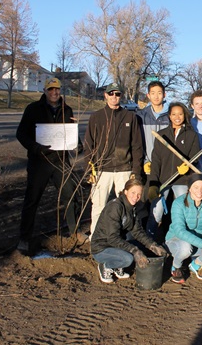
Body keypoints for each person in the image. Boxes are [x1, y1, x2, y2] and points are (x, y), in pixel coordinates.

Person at [16, 77, 86, 255]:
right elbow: (21, 133)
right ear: (45, 91)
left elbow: (70, 133)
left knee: (70, 195)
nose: (54, 93)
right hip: (39, 162)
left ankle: (74, 231)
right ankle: (24, 238)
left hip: (60, 161)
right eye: (51, 89)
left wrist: (77, 144)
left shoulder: (67, 109)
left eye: (57, 89)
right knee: (32, 200)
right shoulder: (33, 109)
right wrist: (35, 147)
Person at [83, 82, 143, 236]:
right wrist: (89, 168)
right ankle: (95, 238)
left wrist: (135, 171)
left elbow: (137, 146)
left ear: (121, 96)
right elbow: (89, 144)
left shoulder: (130, 117)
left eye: (117, 94)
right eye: (111, 94)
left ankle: (125, 238)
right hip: (102, 170)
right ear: (105, 95)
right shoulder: (96, 117)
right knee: (98, 205)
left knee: (127, 206)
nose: (114, 97)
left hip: (124, 169)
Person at [91, 178, 168, 283]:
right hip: (102, 247)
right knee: (128, 259)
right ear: (125, 191)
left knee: (144, 247)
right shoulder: (116, 207)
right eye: (133, 192)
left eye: (139, 194)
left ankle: (118, 264)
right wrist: (134, 251)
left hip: (116, 244)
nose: (136, 197)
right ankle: (107, 265)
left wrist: (153, 245)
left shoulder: (133, 208)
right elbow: (112, 238)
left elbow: (137, 232)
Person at [146, 102, 200, 239]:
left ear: (185, 115)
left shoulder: (192, 135)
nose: (177, 117)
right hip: (163, 179)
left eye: (180, 114)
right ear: (169, 116)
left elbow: (195, 159)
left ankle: (181, 240)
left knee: (183, 211)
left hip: (182, 180)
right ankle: (149, 240)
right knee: (156, 210)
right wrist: (153, 183)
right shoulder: (161, 135)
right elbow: (156, 160)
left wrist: (187, 170)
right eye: (174, 114)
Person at [165, 174, 202, 283]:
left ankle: (196, 263)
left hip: (199, 238)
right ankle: (176, 266)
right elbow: (179, 231)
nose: (199, 191)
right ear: (189, 188)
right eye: (196, 187)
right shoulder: (178, 203)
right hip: (176, 240)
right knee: (185, 247)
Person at [136, 81, 170, 203]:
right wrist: (144, 161)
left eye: (159, 93)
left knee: (166, 199)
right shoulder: (141, 116)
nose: (156, 96)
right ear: (148, 95)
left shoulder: (171, 115)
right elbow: (137, 142)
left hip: (167, 165)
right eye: (153, 93)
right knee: (147, 199)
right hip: (148, 165)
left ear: (164, 95)